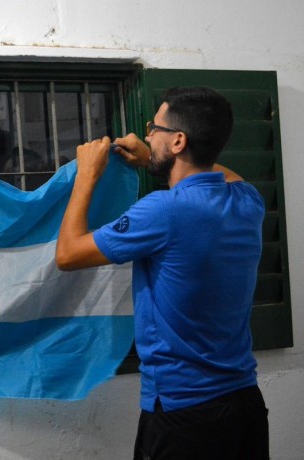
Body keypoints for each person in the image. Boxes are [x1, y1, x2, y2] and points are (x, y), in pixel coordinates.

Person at [56, 87, 269, 459]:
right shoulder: (248, 202)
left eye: (154, 128)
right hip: (244, 405)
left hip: (185, 415)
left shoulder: (163, 210)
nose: (147, 134)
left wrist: (87, 176)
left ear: (179, 140)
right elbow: (228, 175)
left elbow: (68, 254)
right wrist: (155, 156)